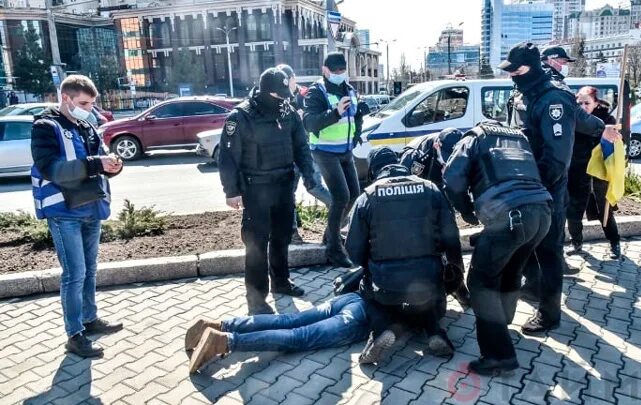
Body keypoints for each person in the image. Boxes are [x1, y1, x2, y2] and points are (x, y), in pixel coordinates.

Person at [498, 43, 621, 334]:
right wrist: (601, 127)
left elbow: (556, 159)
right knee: (527, 243)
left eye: (516, 71)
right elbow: (578, 117)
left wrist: (533, 189)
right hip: (525, 183)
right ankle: (533, 287)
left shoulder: (552, 97)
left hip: (545, 188)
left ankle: (549, 314)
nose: (512, 75)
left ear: (530, 67)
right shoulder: (529, 90)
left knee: (549, 250)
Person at [443, 121, 552, 375]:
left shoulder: (474, 137)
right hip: (541, 212)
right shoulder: (519, 137)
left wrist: (467, 212)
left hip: (510, 215)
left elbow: (452, 179)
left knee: (481, 283)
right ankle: (502, 321)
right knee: (512, 268)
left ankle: (498, 356)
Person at [30, 75, 124, 358]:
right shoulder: (45, 127)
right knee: (74, 274)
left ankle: (89, 319)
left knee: (90, 270)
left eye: (92, 104)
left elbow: (100, 156)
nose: (88, 108)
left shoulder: (86, 125)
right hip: (64, 212)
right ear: (66, 98)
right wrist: (96, 163)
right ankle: (74, 334)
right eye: (84, 103)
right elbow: (52, 169)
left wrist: (113, 165)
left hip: (90, 208)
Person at [345, 147, 464, 364]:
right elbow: (451, 236)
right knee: (422, 295)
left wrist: (370, 264)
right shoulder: (430, 188)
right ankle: (435, 332)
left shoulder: (368, 196)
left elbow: (353, 251)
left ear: (374, 171)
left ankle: (380, 332)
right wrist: (455, 272)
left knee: (368, 291)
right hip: (429, 282)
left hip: (386, 284)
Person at [218, 67, 318, 315]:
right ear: (267, 92)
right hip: (256, 189)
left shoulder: (288, 112)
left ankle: (281, 282)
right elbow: (228, 156)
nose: (285, 98)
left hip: (283, 186)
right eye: (280, 95)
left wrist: (310, 176)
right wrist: (231, 191)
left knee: (282, 238)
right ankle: (256, 300)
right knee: (256, 245)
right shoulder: (241, 116)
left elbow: (301, 147)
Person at [186, 292, 370, 373]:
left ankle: (219, 325)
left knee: (288, 320)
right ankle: (224, 342)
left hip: (353, 296)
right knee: (299, 336)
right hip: (365, 313)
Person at [398, 127, 472, 306]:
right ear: (437, 145)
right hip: (415, 195)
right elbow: (402, 187)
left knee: (451, 237)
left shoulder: (464, 152)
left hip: (441, 193)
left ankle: (457, 282)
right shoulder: (417, 157)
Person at [303, 52, 364, 268]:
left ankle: (331, 234)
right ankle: (334, 250)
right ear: (325, 70)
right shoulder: (316, 92)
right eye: (335, 70)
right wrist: (336, 112)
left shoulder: (349, 89)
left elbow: (357, 116)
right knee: (341, 197)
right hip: (324, 151)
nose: (339, 74)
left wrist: (356, 135)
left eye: (342, 70)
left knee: (354, 195)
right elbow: (310, 123)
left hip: (345, 151)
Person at [277, 64, 332, 243]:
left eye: (287, 81)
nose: (285, 85)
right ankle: (292, 233)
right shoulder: (278, 97)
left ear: (293, 78)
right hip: (288, 155)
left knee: (315, 186)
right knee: (288, 193)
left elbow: (315, 120)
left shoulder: (305, 96)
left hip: (307, 151)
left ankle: (339, 214)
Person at [568, 87, 621, 259]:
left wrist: (611, 135)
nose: (583, 107)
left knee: (604, 211)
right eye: (580, 103)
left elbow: (619, 145)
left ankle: (615, 243)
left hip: (600, 174)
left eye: (587, 103)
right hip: (577, 172)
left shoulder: (607, 120)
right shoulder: (573, 119)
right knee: (573, 212)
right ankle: (576, 243)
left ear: (596, 103)